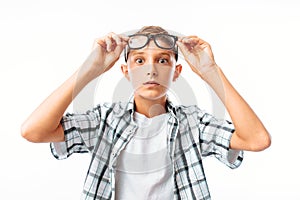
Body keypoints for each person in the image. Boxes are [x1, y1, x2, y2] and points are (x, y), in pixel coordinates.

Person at [21, 26, 271, 200]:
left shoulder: (193, 123)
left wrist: (210, 71)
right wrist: (91, 69)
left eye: (163, 60)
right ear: (126, 72)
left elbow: (256, 139)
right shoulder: (104, 121)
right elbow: (34, 131)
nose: (151, 70)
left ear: (176, 72)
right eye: (139, 61)